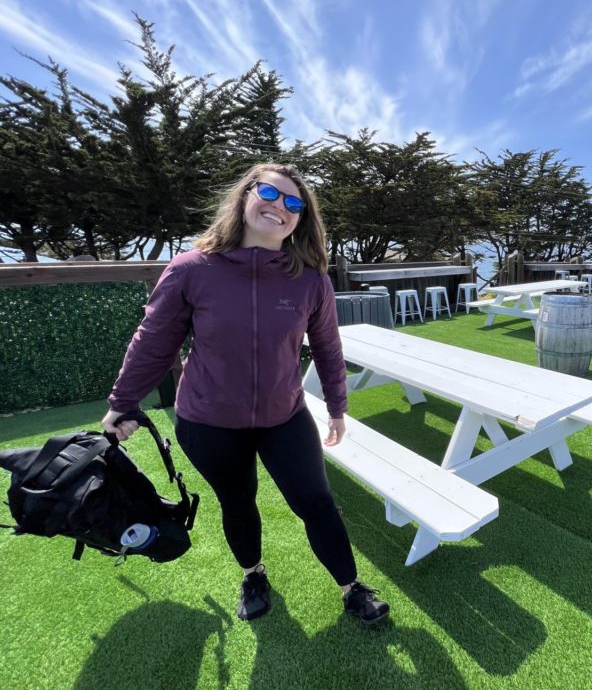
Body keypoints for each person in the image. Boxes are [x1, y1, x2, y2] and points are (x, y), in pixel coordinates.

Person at [102, 163, 389, 626]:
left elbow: (329, 347)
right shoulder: (191, 268)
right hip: (208, 420)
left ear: (301, 220)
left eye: (294, 204)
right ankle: (253, 574)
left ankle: (351, 587)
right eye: (271, 194)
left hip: (284, 415)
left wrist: (338, 405)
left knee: (316, 502)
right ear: (245, 195)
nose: (280, 208)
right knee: (238, 502)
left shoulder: (310, 278)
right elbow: (155, 340)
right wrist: (124, 402)